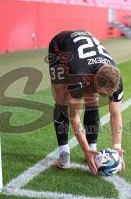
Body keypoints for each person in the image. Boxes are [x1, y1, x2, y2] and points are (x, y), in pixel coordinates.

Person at [48, 30, 125, 175]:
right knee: (62, 100)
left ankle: (93, 149)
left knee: (93, 99)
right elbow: (74, 118)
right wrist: (85, 150)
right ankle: (64, 157)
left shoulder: (117, 80)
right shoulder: (79, 75)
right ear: (94, 78)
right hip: (60, 47)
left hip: (85, 56)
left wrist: (117, 146)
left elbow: (116, 114)